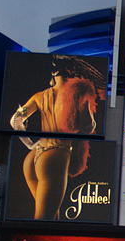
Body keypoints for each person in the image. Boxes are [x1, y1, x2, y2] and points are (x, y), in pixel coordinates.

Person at [10, 55, 103, 220]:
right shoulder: (79, 92)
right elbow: (89, 125)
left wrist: (31, 144)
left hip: (32, 159)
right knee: (44, 219)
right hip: (55, 156)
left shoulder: (39, 96)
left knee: (51, 217)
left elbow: (15, 121)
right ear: (72, 71)